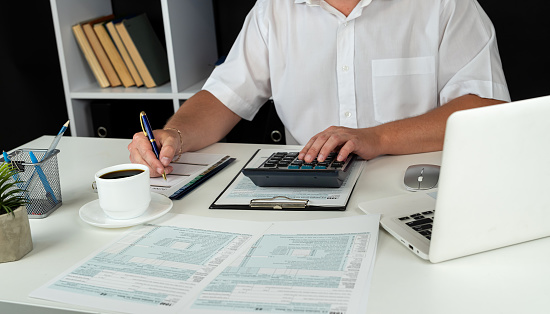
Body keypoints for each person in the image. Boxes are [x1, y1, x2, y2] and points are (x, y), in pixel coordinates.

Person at [129, 0, 510, 178]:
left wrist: (376, 138)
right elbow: (222, 97)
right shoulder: (272, 11)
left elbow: (485, 108)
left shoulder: (447, 5)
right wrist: (174, 135)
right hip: (305, 186)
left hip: (416, 185)